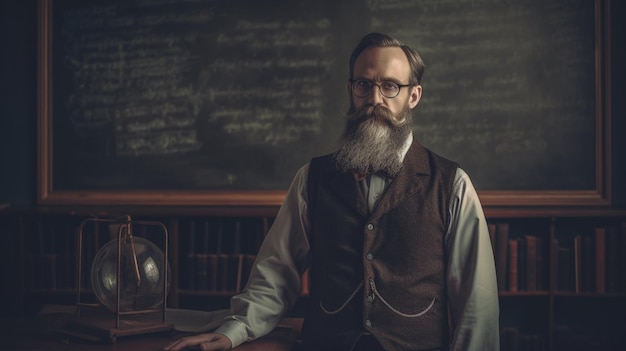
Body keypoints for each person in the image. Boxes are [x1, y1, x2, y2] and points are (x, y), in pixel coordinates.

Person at [164, 32, 499, 351]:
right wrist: (232, 333)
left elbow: (477, 303)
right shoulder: (313, 178)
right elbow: (276, 273)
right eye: (364, 85)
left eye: (390, 86)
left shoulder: (451, 184)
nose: (375, 99)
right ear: (351, 89)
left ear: (413, 95)